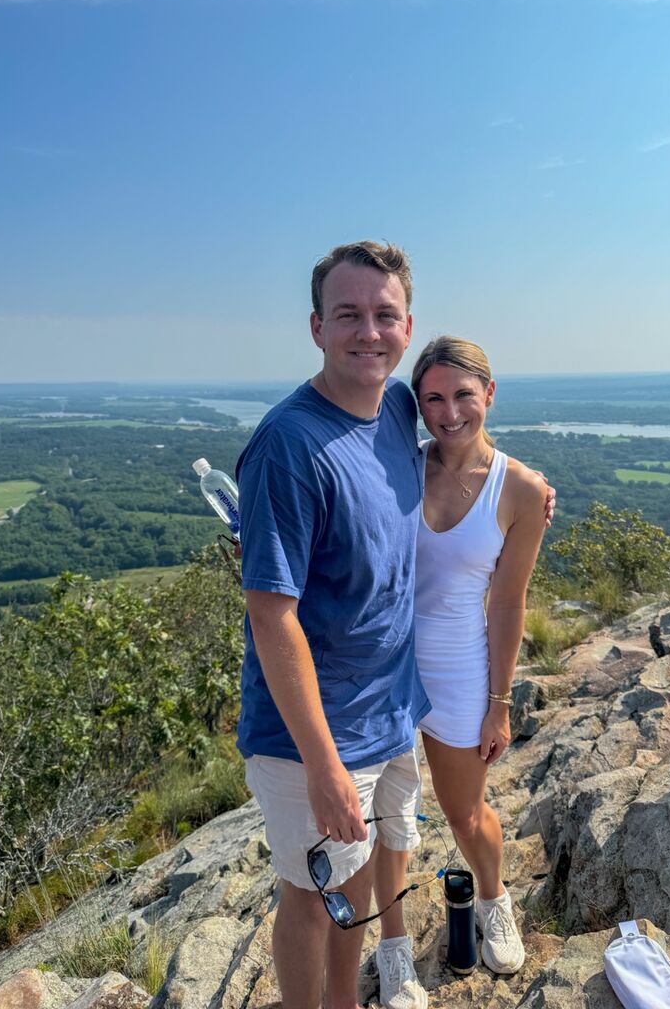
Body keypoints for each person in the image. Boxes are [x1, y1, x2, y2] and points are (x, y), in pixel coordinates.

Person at [235, 241, 431, 1009]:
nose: (368, 332)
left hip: (389, 712)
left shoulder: (400, 406)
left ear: (407, 327)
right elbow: (269, 616)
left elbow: (456, 458)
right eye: (348, 315)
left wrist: (522, 488)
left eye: (384, 316)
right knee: (314, 898)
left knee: (360, 881)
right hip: (317, 737)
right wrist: (322, 766)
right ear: (316, 327)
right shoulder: (289, 446)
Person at [373, 335, 548, 986]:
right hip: (382, 672)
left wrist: (500, 705)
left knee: (464, 812)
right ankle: (392, 947)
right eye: (433, 399)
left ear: (490, 394)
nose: (448, 413)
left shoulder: (522, 491)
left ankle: (496, 901)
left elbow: (508, 604)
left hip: (458, 671)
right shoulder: (397, 465)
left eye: (463, 395)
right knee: (386, 822)